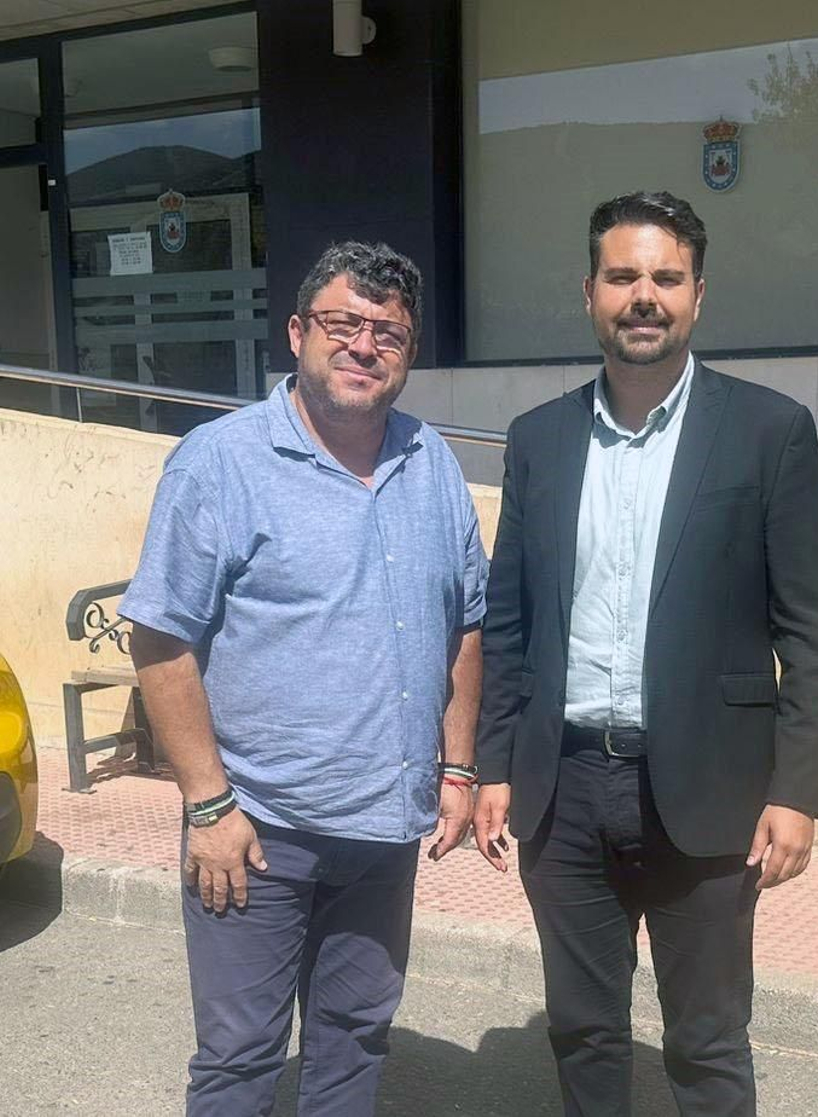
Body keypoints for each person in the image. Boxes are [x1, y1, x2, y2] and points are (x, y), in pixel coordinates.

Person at [473, 190, 818, 1115]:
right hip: (563, 794)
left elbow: (812, 628)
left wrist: (797, 790)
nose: (645, 295)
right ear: (590, 293)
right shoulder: (539, 440)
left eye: (666, 278)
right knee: (584, 1032)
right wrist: (492, 767)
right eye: (624, 276)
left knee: (709, 1041)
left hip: (710, 791)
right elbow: (511, 619)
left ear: (698, 294)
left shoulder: (770, 432)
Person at [122, 241, 487, 1117]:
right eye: (342, 324)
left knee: (354, 1043)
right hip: (257, 831)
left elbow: (465, 621)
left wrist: (460, 764)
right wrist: (207, 804)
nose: (364, 346)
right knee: (240, 1060)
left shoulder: (430, 461)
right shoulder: (220, 461)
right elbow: (159, 636)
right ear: (296, 332)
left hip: (385, 832)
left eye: (388, 333)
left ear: (409, 352)